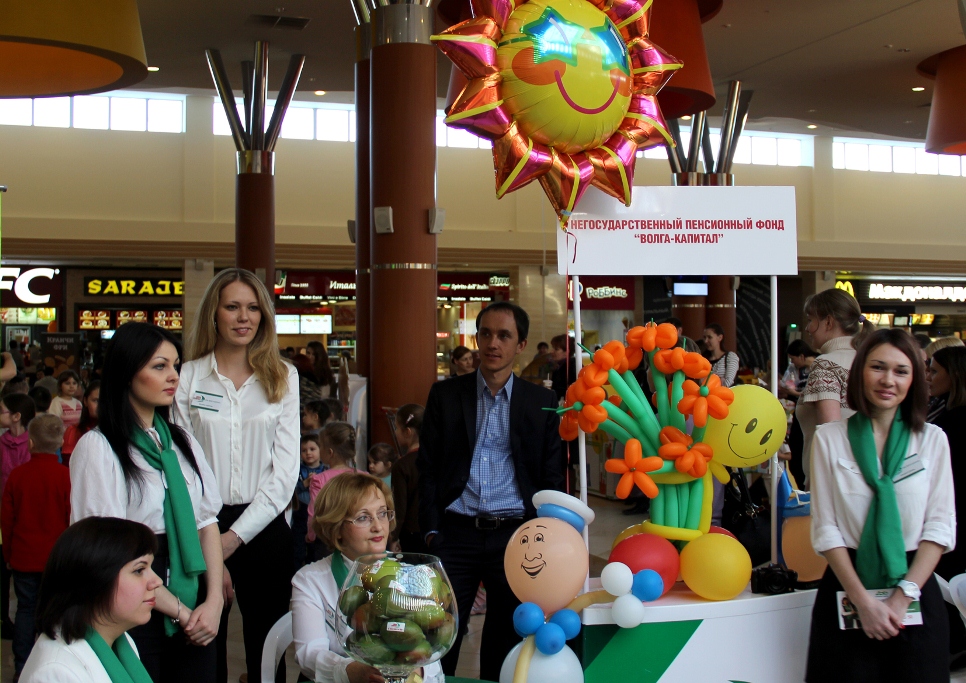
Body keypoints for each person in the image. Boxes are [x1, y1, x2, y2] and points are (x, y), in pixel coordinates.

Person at [418, 301, 567, 681]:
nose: (492, 343)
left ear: (521, 345)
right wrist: (432, 530)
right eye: (485, 333)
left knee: (504, 640)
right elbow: (428, 467)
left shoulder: (542, 403)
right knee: (438, 637)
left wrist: (544, 535)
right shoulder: (446, 395)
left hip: (514, 536)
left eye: (504, 335)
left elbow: (551, 477)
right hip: (456, 533)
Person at [70, 322, 224, 683]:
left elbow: (207, 522)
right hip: (133, 597)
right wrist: (180, 612)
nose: (173, 376)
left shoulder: (181, 441)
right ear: (127, 373)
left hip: (195, 595)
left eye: (175, 365)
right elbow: (108, 549)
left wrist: (214, 601)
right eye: (159, 366)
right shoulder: (99, 447)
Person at [173, 267, 299, 683]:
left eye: (253, 308)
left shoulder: (283, 376)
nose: (244, 317)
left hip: (265, 525)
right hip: (201, 523)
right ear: (214, 312)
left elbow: (284, 475)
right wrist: (212, 541)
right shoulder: (188, 377)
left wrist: (231, 540)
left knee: (267, 652)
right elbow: (184, 468)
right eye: (232, 307)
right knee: (203, 646)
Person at [806, 329, 954, 682]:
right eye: (878, 367)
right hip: (847, 588)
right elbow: (826, 528)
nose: (889, 380)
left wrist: (903, 597)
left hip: (914, 587)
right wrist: (862, 601)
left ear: (914, 379)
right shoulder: (830, 439)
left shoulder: (932, 440)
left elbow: (939, 526)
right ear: (860, 372)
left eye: (901, 371)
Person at [291, 472, 444, 683]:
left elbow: (431, 651)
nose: (378, 526)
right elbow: (309, 654)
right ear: (336, 528)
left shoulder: (410, 576)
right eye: (363, 517)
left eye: (382, 513)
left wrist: (417, 672)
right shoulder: (310, 580)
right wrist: (351, 671)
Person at [19, 517, 161, 683]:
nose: (157, 581)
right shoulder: (56, 671)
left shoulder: (122, 643)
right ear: (96, 580)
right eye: (139, 570)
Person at [1, 414, 71, 678]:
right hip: (56, 562)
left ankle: (22, 668)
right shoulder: (66, 477)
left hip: (23, 558)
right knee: (55, 615)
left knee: (25, 611)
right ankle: (50, 669)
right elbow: (71, 519)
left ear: (29, 443)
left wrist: (8, 554)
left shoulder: (17, 476)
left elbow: (7, 521)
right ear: (60, 442)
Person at [797, 288, 875, 486]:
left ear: (828, 322)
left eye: (810, 320)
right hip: (866, 474)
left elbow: (830, 432)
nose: (807, 328)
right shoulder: (870, 360)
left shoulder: (826, 364)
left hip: (831, 482)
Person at [306, 422, 358, 537]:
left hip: (329, 538)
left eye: (320, 446)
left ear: (330, 452)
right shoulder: (363, 476)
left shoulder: (319, 480)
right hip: (357, 535)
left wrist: (311, 536)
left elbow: (314, 515)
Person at [390, 403, 426, 554]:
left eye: (397, 428)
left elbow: (399, 508)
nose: (395, 432)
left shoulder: (402, 465)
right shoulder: (437, 460)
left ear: (407, 432)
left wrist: (393, 538)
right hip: (436, 530)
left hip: (411, 534)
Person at [783, 340, 817, 487]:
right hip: (800, 415)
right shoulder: (799, 370)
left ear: (802, 356)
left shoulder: (819, 367)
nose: (792, 362)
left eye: (793, 358)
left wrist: (794, 393)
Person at [294, 434, 328, 568]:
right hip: (301, 511)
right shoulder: (297, 470)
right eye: (304, 450)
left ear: (320, 450)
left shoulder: (326, 470)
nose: (308, 453)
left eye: (312, 449)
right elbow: (291, 491)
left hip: (319, 512)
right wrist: (305, 483)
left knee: (316, 548)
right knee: (298, 546)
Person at [61, 380, 99, 467]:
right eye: (96, 400)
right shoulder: (73, 431)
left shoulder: (117, 431)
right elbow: (68, 467)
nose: (101, 405)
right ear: (85, 401)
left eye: (105, 401)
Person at [703, 323, 739, 387]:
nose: (706, 341)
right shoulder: (703, 358)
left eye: (709, 337)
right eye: (704, 337)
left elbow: (728, 382)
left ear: (720, 337)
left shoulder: (730, 357)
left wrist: (710, 382)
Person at [550, 333, 577, 400]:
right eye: (553, 348)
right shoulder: (559, 366)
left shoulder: (572, 366)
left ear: (566, 352)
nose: (552, 351)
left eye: (556, 349)